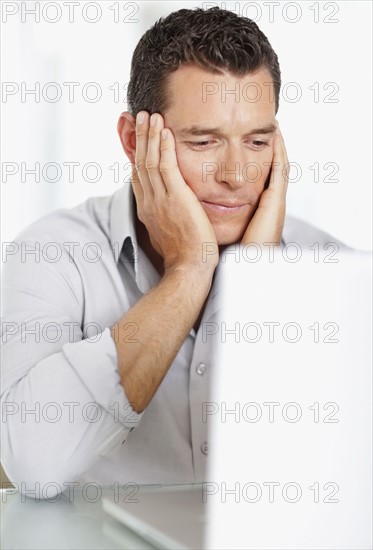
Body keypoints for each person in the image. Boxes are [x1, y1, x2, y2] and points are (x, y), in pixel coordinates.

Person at [1, 7, 347, 498]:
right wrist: (190, 271)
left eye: (256, 141)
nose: (237, 175)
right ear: (132, 138)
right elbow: (34, 464)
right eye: (203, 142)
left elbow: (332, 478)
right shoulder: (53, 254)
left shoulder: (333, 270)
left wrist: (262, 281)